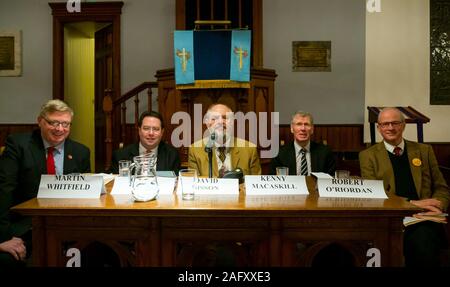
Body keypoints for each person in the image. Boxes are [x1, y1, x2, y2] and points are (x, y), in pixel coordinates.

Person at [0, 99, 91, 267]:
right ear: (40, 121)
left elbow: (85, 195)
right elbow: (4, 190)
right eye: (53, 123)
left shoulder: (81, 152)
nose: (60, 129)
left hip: (69, 226)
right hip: (25, 227)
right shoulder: (19, 145)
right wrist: (3, 237)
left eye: (65, 124)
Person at [359, 107, 449, 267]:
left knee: (425, 242)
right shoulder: (368, 155)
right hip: (390, 219)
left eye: (395, 123)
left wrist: (440, 203)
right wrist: (412, 204)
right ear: (379, 128)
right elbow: (374, 194)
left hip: (424, 217)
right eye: (385, 124)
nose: (390, 128)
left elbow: (442, 187)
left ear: (403, 125)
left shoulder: (424, 150)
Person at [188, 103, 261, 177]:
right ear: (207, 123)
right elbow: (193, 183)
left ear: (232, 122)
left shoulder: (250, 149)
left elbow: (255, 184)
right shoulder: (195, 150)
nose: (220, 122)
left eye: (225, 117)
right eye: (214, 118)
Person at [110, 110, 180, 175]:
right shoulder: (120, 156)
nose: (151, 133)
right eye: (146, 128)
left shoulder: (172, 155)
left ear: (162, 132)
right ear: (139, 131)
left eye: (156, 129)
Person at [270, 111, 335, 176]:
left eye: (306, 124)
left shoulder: (325, 153)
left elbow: (331, 181)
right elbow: (273, 180)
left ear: (312, 129)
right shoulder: (279, 154)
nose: (303, 128)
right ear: (292, 128)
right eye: (299, 124)